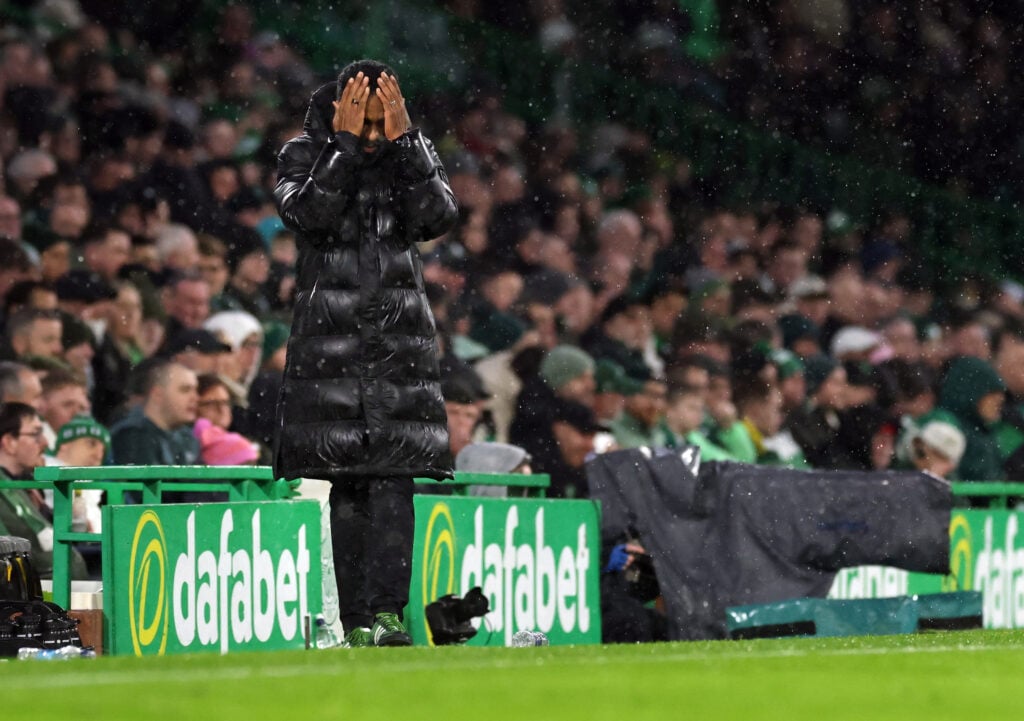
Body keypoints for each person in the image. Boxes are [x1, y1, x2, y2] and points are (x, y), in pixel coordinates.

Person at [273, 59, 458, 648]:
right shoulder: (302, 156)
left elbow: (437, 216)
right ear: (338, 113)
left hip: (399, 349)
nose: (375, 136)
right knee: (347, 485)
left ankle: (386, 616)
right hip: (331, 350)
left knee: (395, 482)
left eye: (384, 125)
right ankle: (356, 621)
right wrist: (345, 147)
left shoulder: (411, 155)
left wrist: (407, 141)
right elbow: (310, 215)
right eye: (365, 123)